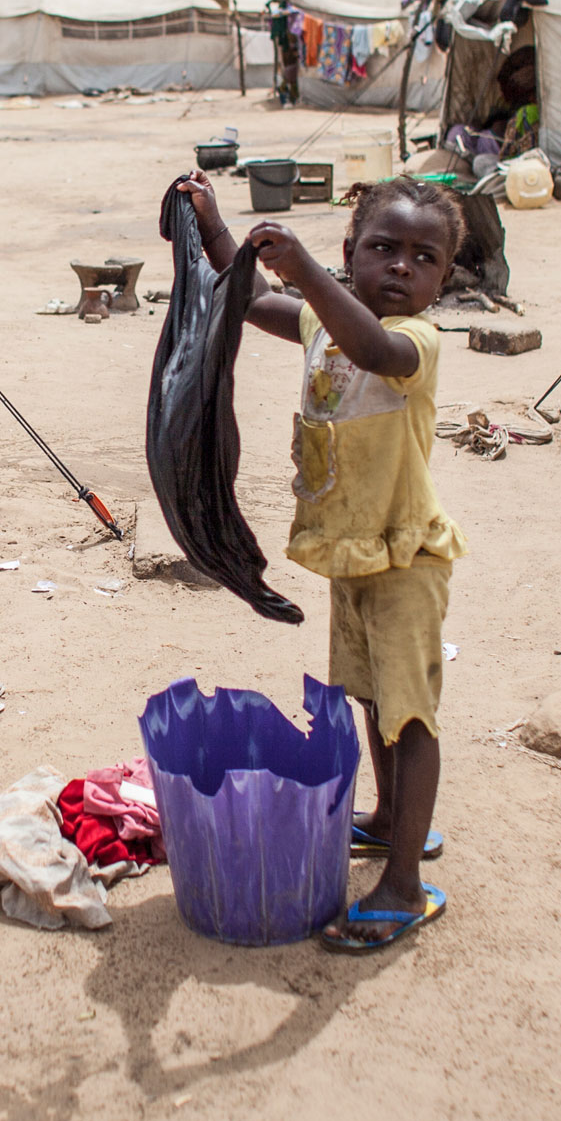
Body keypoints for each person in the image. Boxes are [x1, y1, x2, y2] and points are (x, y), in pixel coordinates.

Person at [170, 171, 469, 952]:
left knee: (409, 713)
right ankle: (384, 818)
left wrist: (306, 273)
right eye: (383, 249)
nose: (401, 267)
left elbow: (370, 346)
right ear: (351, 252)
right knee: (368, 699)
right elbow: (248, 297)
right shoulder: (317, 319)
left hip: (405, 558)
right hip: (352, 554)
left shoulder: (417, 343)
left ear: (444, 279)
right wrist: (211, 225)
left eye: (423, 258)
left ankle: (404, 884)